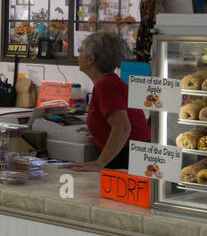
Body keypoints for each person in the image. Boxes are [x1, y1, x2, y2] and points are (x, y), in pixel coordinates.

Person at [64, 31, 151, 171]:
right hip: (128, 154)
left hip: (125, 158)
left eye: (80, 51)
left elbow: (122, 128)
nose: (78, 55)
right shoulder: (110, 82)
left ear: (91, 59)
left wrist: (99, 163)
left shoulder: (106, 86)